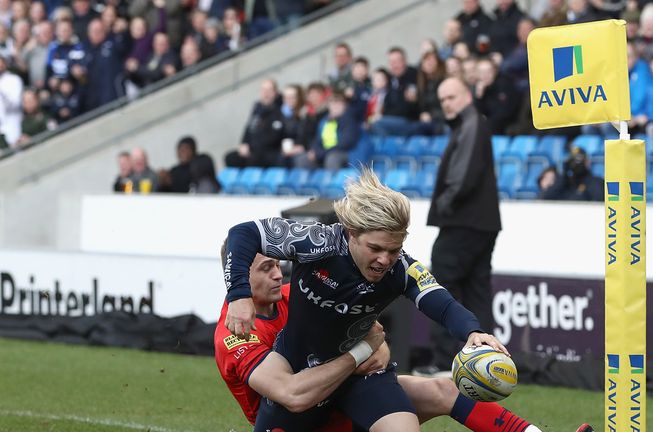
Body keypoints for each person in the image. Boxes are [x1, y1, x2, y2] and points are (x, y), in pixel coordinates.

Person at [223, 168, 509, 431]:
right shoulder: (317, 242)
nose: (385, 259)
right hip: (301, 373)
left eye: (394, 249)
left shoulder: (402, 269)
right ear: (352, 233)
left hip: (361, 375)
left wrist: (473, 331)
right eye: (375, 248)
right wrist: (238, 294)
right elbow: (243, 233)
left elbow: (442, 303)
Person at [216, 249, 571, 432]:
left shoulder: (302, 295)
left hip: (341, 397)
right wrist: (360, 352)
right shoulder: (231, 336)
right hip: (298, 422)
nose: (279, 273)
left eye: (279, 264)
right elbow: (294, 394)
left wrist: (370, 347)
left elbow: (379, 346)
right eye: (266, 268)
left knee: (444, 390)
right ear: (238, 276)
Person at [418, 78, 501, 376]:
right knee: (477, 291)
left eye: (451, 96)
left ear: (467, 95)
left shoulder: (472, 125)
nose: (447, 104)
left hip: (462, 222)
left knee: (443, 288)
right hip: (481, 222)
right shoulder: (472, 125)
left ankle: (444, 363)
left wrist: (443, 204)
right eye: (442, 100)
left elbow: (462, 177)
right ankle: (485, 364)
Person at [225, 78, 285, 168]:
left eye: (269, 90)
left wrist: (252, 147)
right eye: (263, 90)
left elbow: (274, 136)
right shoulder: (257, 108)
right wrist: (244, 144)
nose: (266, 93)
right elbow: (249, 128)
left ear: (275, 93)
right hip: (253, 150)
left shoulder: (280, 110)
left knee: (255, 159)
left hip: (269, 151)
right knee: (230, 158)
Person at [539, 146, 604, 201]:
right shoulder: (564, 184)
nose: (577, 165)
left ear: (587, 162)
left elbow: (599, 203)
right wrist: (563, 175)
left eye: (580, 161)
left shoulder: (595, 182)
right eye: (574, 161)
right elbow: (544, 198)